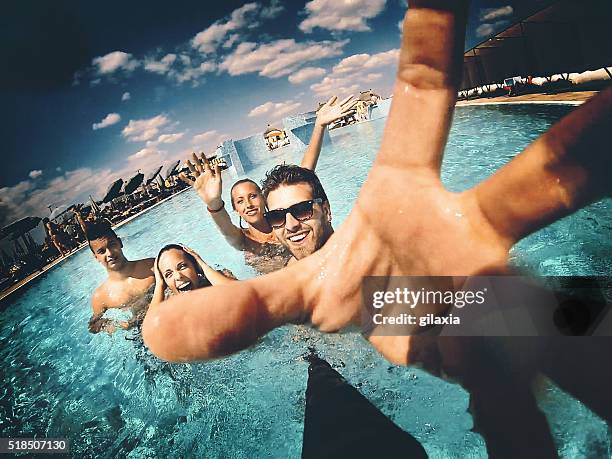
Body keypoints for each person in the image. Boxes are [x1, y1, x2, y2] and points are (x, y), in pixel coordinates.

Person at [143, 2, 611, 455]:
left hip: (389, 318)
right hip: (337, 361)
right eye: (277, 217)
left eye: (303, 211)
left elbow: (435, 308)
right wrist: (213, 209)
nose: (291, 223)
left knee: (566, 311)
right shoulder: (275, 268)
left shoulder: (373, 277)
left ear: (325, 208)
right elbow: (246, 232)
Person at [179, 95, 356, 273]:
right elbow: (225, 229)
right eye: (240, 201)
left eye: (253, 196)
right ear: (235, 209)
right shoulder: (244, 240)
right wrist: (213, 203)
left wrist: (319, 126)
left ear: (264, 200)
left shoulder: (282, 220)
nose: (248, 204)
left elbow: (302, 180)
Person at [86, 220, 155, 334]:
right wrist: (116, 324)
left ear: (120, 243)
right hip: (141, 336)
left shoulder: (150, 266)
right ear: (96, 257)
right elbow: (93, 325)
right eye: (101, 251)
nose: (109, 253)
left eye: (112, 245)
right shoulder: (101, 297)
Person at [149, 244, 235, 309]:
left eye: (182, 266)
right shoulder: (171, 305)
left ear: (195, 266)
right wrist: (159, 285)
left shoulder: (219, 278)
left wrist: (202, 265)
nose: (178, 276)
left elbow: (239, 292)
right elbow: (150, 326)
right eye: (168, 274)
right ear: (165, 283)